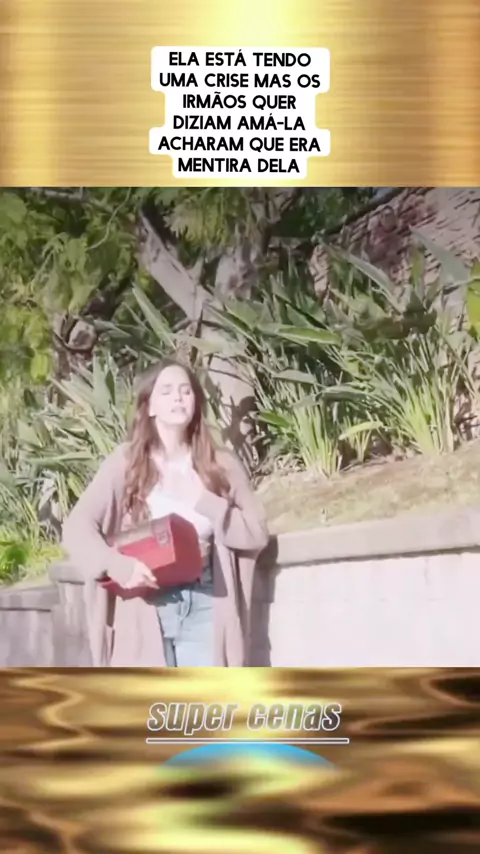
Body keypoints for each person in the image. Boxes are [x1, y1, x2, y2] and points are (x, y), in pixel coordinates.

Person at [62, 358, 269, 667]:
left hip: (205, 598)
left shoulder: (220, 463)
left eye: (186, 391)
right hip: (144, 604)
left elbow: (257, 532)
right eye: (167, 391)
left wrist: (203, 500)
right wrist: (116, 565)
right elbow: (76, 528)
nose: (178, 398)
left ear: (196, 403)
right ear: (150, 406)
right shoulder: (126, 463)